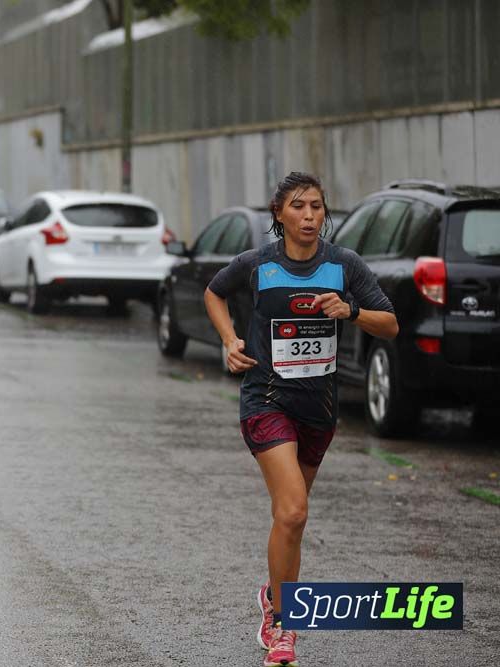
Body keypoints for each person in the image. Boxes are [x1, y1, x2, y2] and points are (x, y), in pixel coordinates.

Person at [204, 172, 398, 667]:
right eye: (298, 206)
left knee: (289, 517)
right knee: (293, 512)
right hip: (266, 400)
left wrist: (350, 310)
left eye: (316, 206)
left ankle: (274, 593)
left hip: (319, 409)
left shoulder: (343, 265)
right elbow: (214, 292)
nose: (309, 216)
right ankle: (282, 624)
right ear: (279, 213)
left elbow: (391, 324)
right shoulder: (258, 264)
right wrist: (229, 340)